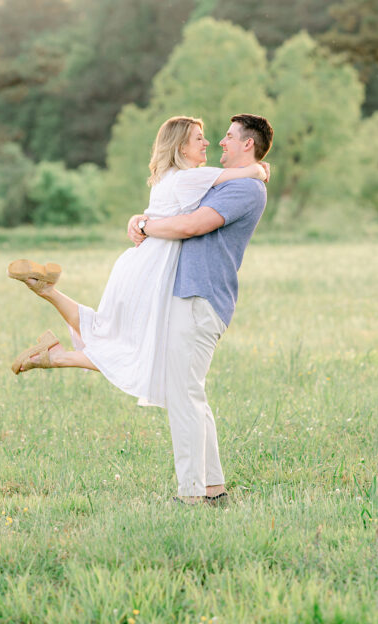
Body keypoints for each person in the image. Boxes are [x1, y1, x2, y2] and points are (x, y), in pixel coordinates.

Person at [7, 116, 268, 415]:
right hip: (154, 266)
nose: (208, 142)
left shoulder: (166, 178)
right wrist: (259, 168)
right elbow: (240, 177)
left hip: (137, 262)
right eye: (199, 138)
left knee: (111, 331)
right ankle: (56, 354)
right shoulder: (189, 178)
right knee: (137, 347)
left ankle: (49, 296)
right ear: (182, 147)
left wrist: (139, 221)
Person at [126, 112, 274, 505]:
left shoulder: (244, 190)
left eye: (228, 137)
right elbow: (175, 209)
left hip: (199, 296)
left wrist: (144, 227)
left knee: (183, 396)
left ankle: (190, 494)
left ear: (248, 144)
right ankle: (213, 489)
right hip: (190, 294)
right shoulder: (229, 181)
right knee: (190, 393)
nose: (219, 143)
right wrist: (142, 218)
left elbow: (191, 225)